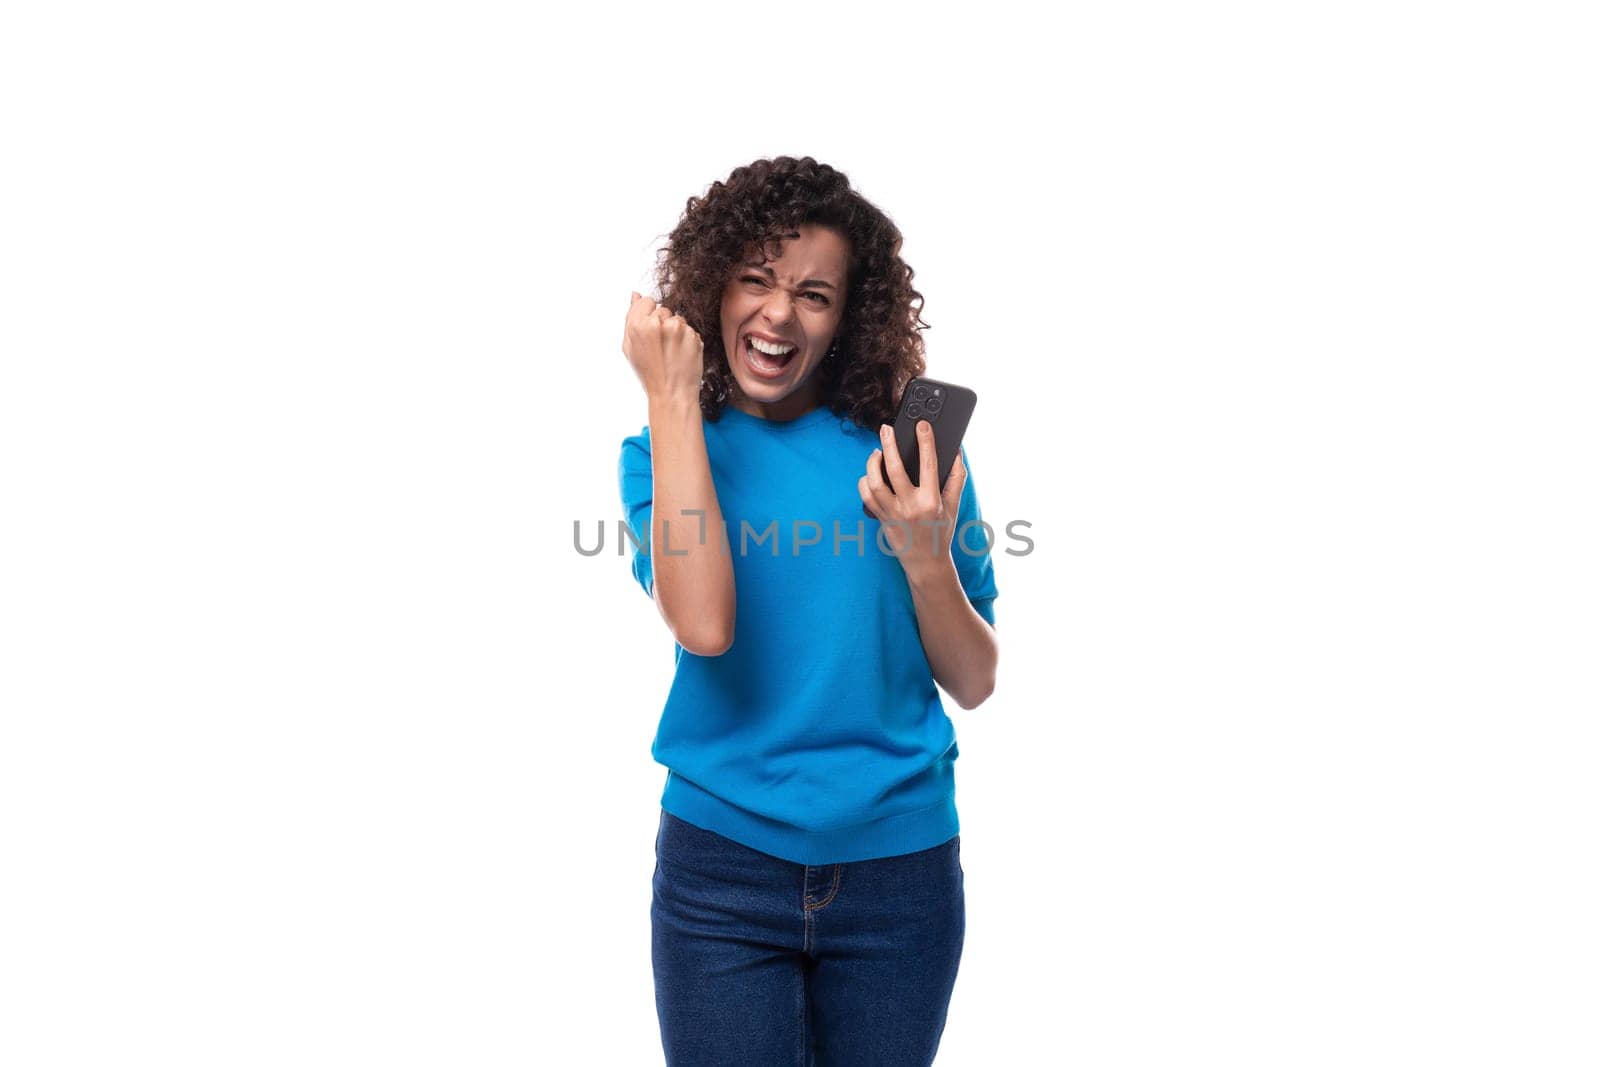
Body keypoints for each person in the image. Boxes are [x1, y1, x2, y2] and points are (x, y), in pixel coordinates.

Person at [617, 155, 1000, 1066]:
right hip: (722, 875)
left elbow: (977, 678)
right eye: (754, 280)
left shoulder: (909, 459)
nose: (779, 313)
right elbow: (704, 623)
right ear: (712, 290)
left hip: (900, 877)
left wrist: (923, 552)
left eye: (814, 293)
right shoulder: (662, 456)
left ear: (847, 319)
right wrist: (673, 396)